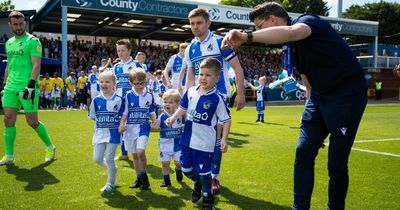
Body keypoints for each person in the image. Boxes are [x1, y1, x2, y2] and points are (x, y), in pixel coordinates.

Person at [221, 2, 368, 209]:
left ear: (273, 20)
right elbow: (308, 81)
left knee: (336, 164)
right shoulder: (291, 48)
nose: (259, 32)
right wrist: (309, 111)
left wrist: (247, 37)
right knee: (303, 153)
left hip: (346, 96)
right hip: (318, 97)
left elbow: (292, 32)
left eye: (260, 26)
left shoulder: (307, 22)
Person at [184, 8, 246, 194]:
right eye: (192, 23)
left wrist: (241, 93)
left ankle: (214, 177)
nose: (195, 27)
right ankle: (202, 174)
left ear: (208, 23)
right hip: (197, 100)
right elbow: (190, 77)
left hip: (218, 98)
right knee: (198, 140)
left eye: (199, 23)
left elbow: (237, 68)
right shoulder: (189, 48)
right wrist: (186, 101)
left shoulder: (221, 42)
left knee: (215, 139)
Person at [166, 58, 231, 210]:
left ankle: (208, 198)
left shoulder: (217, 98)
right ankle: (198, 183)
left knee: (204, 171)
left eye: (208, 75)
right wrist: (173, 117)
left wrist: (224, 139)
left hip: (204, 144)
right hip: (187, 139)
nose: (203, 78)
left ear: (217, 78)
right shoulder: (190, 92)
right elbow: (183, 108)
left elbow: (226, 119)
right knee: (186, 169)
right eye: (201, 74)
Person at [0, 10, 56, 165]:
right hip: (11, 87)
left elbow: (37, 64)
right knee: (8, 119)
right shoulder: (9, 43)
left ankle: (50, 147)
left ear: (24, 23)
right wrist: (4, 85)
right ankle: (9, 155)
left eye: (21, 24)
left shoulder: (33, 41)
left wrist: (31, 86)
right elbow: (9, 66)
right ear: (10, 24)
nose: (18, 27)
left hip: (27, 87)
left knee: (32, 121)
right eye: (15, 24)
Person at [118, 68, 156, 190]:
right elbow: (124, 113)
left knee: (140, 152)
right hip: (130, 129)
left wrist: (154, 121)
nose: (140, 85)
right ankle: (139, 178)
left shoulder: (149, 95)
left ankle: (144, 177)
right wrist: (121, 124)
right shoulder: (128, 96)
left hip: (143, 128)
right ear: (131, 83)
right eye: (136, 83)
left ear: (145, 81)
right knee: (134, 156)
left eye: (142, 83)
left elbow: (151, 111)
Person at [89, 71, 123, 193]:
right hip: (99, 133)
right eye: (101, 82)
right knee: (97, 159)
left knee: (109, 158)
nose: (104, 84)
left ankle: (110, 183)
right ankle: (113, 169)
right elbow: (93, 116)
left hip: (113, 134)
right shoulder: (96, 100)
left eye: (107, 82)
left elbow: (123, 116)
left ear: (114, 84)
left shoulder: (119, 100)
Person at [113, 39, 142, 161]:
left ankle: (137, 150)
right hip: (120, 101)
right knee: (121, 125)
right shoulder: (116, 66)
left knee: (132, 126)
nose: (120, 53)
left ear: (129, 51)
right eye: (118, 51)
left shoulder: (136, 65)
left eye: (123, 50)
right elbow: (115, 84)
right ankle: (124, 153)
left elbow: (142, 83)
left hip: (132, 101)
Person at [151, 89, 184, 187]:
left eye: (170, 102)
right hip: (164, 145)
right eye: (165, 102)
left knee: (178, 163)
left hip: (178, 144)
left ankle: (178, 170)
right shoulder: (162, 117)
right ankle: (166, 180)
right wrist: (153, 128)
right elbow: (155, 128)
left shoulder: (180, 115)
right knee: (165, 163)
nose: (167, 104)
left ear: (178, 104)